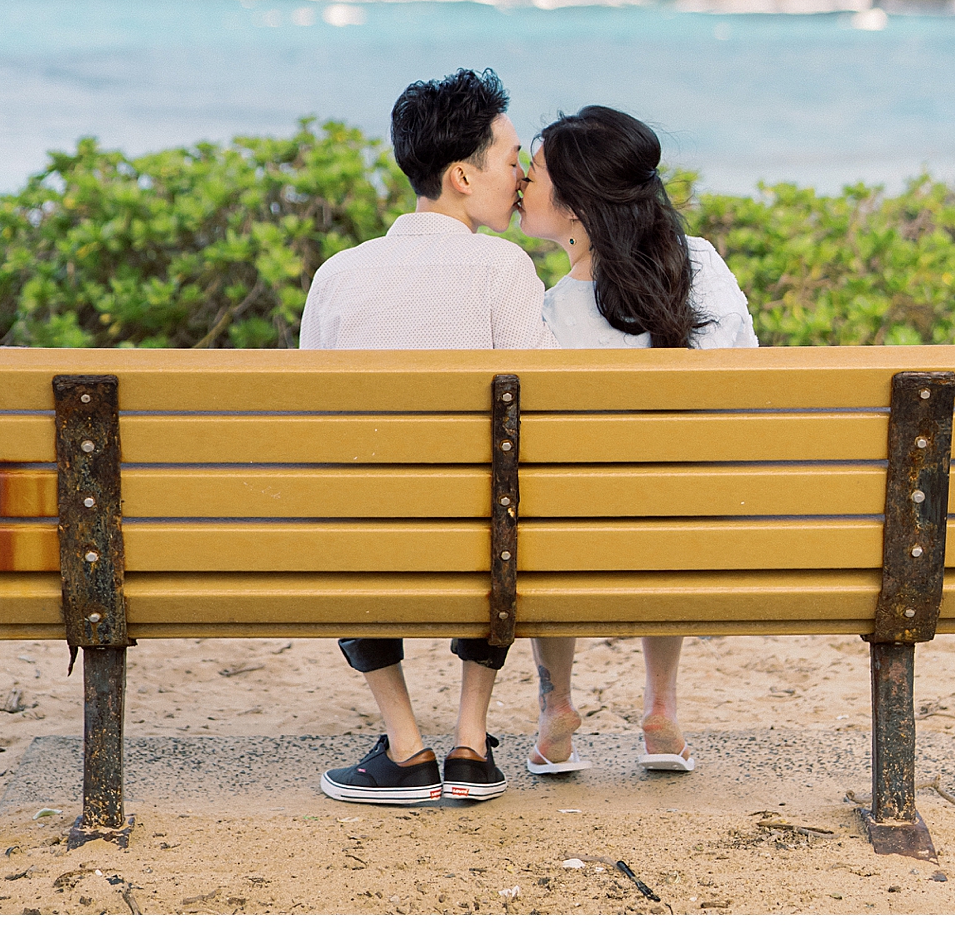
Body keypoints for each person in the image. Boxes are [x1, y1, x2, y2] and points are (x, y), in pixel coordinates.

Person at [300, 66, 553, 805]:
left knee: (347, 501)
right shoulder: (502, 267)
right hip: (484, 537)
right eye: (512, 160)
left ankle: (407, 746)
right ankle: (470, 743)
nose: (522, 174)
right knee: (507, 497)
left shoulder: (339, 273)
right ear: (461, 177)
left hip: (366, 538)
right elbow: (541, 407)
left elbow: (313, 422)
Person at [516, 104, 758, 777]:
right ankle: (661, 707)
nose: (518, 184)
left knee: (545, 504)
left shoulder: (549, 306)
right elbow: (747, 383)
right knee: (671, 489)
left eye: (532, 173)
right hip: (690, 525)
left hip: (574, 537)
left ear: (574, 209)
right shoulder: (702, 264)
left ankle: (556, 704)